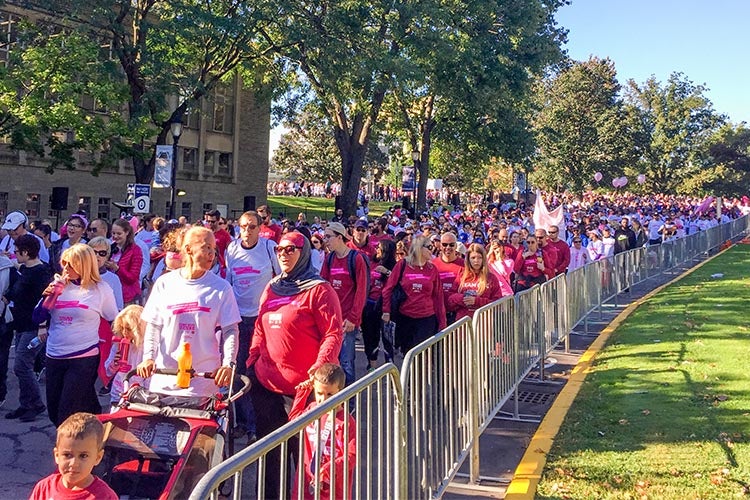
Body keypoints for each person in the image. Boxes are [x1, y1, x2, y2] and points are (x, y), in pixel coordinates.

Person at [247, 231, 343, 498]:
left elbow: (333, 333)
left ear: (305, 253)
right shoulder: (272, 286)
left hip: (305, 393)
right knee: (270, 457)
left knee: (306, 461)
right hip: (267, 387)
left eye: (291, 250)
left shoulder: (320, 290)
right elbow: (259, 325)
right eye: (279, 250)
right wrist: (252, 358)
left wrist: (319, 368)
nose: (284, 255)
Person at [137, 226, 241, 398]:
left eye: (214, 250)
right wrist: (148, 357)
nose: (211, 254)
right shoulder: (165, 283)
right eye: (206, 247)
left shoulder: (222, 288)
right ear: (188, 250)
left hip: (203, 381)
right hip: (165, 377)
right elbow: (153, 326)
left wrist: (228, 364)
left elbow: (230, 330)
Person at [38, 244, 118, 426]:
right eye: (64, 263)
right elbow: (37, 317)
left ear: (84, 265)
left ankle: (68, 450)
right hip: (54, 355)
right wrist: (50, 296)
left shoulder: (101, 289)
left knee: (65, 413)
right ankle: (95, 421)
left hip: (83, 356)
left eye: (71, 265)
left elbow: (114, 320)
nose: (65, 269)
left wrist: (120, 346)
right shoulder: (58, 286)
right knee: (54, 410)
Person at [225, 210, 280, 440]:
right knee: (237, 372)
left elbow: (280, 278)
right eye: (243, 227)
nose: (246, 232)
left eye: (251, 227)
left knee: (258, 371)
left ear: (260, 228)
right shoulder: (232, 249)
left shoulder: (269, 248)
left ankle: (259, 425)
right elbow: (229, 282)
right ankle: (244, 424)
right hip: (238, 318)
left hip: (262, 319)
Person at [2, 235, 53, 420]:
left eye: (17, 252)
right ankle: (26, 404)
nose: (16, 255)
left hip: (34, 327)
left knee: (22, 364)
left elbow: (45, 302)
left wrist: (42, 326)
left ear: (25, 252)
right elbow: (16, 286)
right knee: (23, 365)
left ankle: (37, 403)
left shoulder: (41, 272)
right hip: (22, 324)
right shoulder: (25, 269)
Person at [293, 363, 356, 500]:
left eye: (330, 394)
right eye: (319, 394)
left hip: (334, 489)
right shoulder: (312, 410)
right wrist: (302, 392)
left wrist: (330, 468)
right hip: (307, 483)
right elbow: (294, 420)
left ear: (341, 392)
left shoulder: (346, 421)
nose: (324, 400)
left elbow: (352, 455)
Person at [29, 412, 118, 500]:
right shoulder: (44, 488)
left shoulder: (105, 496)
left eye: (83, 456)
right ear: (57, 455)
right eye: (67, 455)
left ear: (98, 457)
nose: (74, 463)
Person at [321, 222, 368, 387]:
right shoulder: (329, 258)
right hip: (331, 320)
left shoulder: (356, 258)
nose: (324, 240)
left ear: (339, 237)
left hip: (348, 320)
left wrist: (353, 318)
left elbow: (361, 291)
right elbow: (323, 287)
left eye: (328, 237)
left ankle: (350, 404)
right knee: (331, 362)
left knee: (347, 363)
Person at [381, 235, 446, 353]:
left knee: (422, 354)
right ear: (419, 248)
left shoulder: (432, 269)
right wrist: (386, 311)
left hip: (426, 318)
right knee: (407, 352)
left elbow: (438, 297)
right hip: (405, 316)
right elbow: (388, 289)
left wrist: (442, 322)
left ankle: (421, 372)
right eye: (429, 247)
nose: (432, 250)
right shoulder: (402, 265)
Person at [363, 239, 397, 370]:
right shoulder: (371, 263)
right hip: (370, 305)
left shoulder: (395, 266)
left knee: (388, 338)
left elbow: (400, 283)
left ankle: (390, 366)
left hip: (386, 306)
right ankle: (372, 365)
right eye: (377, 247)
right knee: (371, 336)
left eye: (380, 248)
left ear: (387, 252)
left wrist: (387, 272)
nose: (377, 249)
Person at [104, 305, 145, 412]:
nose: (125, 333)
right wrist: (114, 364)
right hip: (118, 392)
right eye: (122, 328)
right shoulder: (118, 345)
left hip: (139, 395)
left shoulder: (146, 348)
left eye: (128, 329)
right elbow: (107, 372)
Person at [449, 244, 503, 320]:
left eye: (479, 258)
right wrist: (462, 299)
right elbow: (450, 298)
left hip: (483, 322)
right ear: (468, 259)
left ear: (483, 259)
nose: (476, 261)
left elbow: (498, 303)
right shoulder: (462, 276)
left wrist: (477, 301)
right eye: (473, 258)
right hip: (463, 322)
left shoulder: (491, 278)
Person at [105, 219, 144, 305]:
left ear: (127, 232)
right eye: (113, 233)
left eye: (119, 233)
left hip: (128, 297)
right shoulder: (110, 247)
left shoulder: (136, 250)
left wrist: (117, 268)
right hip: (112, 293)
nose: (115, 236)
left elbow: (133, 277)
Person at [431, 232, 464, 325]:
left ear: (456, 246)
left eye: (451, 244)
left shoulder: (465, 264)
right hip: (437, 311)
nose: (448, 247)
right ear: (440, 246)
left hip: (457, 312)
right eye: (445, 244)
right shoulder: (432, 264)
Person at [203, 209, 232, 277]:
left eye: (213, 222)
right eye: (208, 221)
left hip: (219, 267)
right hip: (205, 265)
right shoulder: (204, 232)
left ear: (218, 220)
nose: (210, 224)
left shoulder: (225, 235)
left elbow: (231, 252)